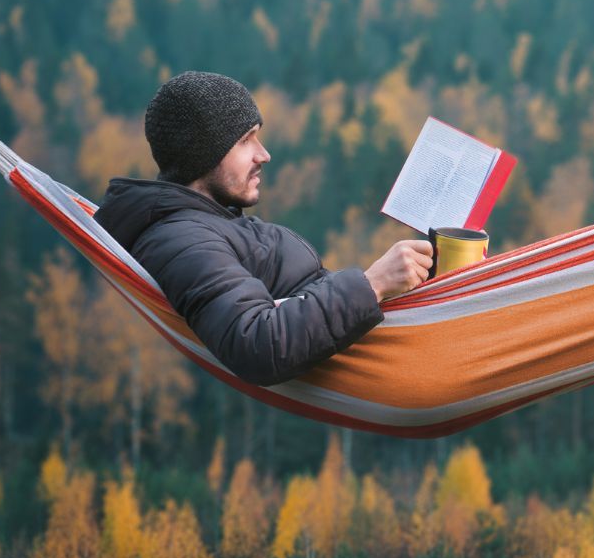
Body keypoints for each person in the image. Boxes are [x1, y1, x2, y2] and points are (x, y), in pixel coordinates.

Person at [95, 70, 433, 386]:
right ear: (201, 154)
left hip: (377, 342)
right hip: (371, 365)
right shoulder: (182, 240)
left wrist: (399, 282)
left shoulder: (210, 222)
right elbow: (257, 341)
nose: (264, 154)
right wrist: (371, 285)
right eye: (246, 140)